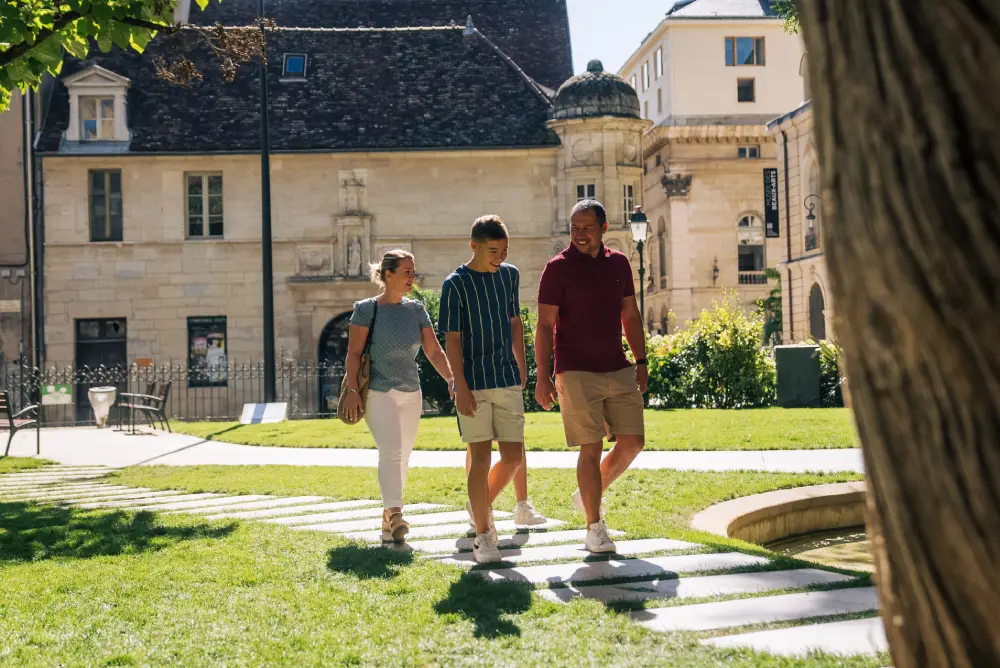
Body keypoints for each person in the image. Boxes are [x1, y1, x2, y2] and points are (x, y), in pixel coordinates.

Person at [534, 199, 648, 553]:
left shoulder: (619, 264)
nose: (580, 235)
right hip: (576, 369)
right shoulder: (557, 268)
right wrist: (543, 375)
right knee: (591, 445)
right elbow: (545, 325)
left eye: (587, 228)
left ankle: (586, 496)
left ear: (604, 228)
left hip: (617, 364)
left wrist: (641, 360)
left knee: (633, 442)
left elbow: (630, 315)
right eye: (575, 228)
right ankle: (594, 527)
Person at [439, 215, 546, 564]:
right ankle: (484, 536)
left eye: (504, 250)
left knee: (513, 456)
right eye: (492, 250)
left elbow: (515, 322)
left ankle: (478, 505)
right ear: (474, 246)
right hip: (474, 384)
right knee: (481, 459)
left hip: (506, 378)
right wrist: (461, 384)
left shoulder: (509, 276)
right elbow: (451, 339)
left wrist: (522, 365)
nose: (499, 256)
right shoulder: (454, 284)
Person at [341, 249, 453, 543]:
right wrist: (353, 391)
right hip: (379, 392)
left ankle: (387, 516)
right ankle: (396, 513)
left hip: (410, 392)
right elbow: (353, 353)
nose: (411, 277)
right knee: (391, 452)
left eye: (413, 272)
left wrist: (452, 378)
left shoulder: (416, 310)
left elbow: (433, 351)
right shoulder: (366, 309)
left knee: (403, 457)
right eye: (406, 272)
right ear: (387, 274)